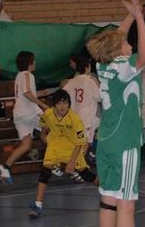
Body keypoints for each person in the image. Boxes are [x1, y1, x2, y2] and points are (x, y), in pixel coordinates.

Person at [87, 0, 145, 227]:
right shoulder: (124, 67)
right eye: (124, 44)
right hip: (125, 145)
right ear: (119, 51)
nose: (127, 42)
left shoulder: (104, 65)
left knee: (108, 201)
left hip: (106, 141)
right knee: (127, 204)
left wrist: (130, 14)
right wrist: (140, 18)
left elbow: (115, 38)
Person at [28, 89, 98, 219]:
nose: (62, 106)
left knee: (86, 176)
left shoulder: (75, 119)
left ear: (69, 104)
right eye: (59, 103)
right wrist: (43, 134)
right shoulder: (48, 114)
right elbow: (44, 123)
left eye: (65, 103)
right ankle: (38, 206)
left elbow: (80, 143)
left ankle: (108, 189)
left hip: (72, 148)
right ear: (54, 104)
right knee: (44, 173)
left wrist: (71, 162)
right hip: (54, 146)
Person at [0, 51, 48, 184]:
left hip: (19, 114)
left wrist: (40, 93)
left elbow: (25, 93)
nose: (35, 62)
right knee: (53, 128)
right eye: (33, 60)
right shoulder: (27, 75)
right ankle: (54, 163)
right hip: (29, 112)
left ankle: (5, 167)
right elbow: (26, 93)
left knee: (26, 144)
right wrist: (43, 105)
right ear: (29, 62)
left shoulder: (19, 76)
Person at [62, 54, 101, 151]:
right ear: (87, 67)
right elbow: (100, 97)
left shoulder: (71, 81)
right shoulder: (90, 80)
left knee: (79, 144)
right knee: (84, 144)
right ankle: (80, 159)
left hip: (74, 118)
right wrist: (97, 84)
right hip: (86, 119)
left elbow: (63, 94)